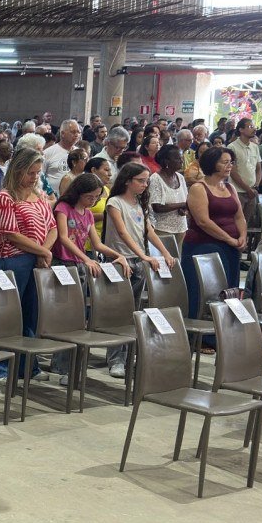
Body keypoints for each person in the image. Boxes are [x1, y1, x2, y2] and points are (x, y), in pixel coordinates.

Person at [102, 163, 178, 379]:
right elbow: (123, 233)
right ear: (127, 180)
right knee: (119, 312)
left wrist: (164, 252)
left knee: (133, 311)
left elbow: (148, 231)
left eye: (146, 181)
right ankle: (115, 359)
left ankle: (129, 358)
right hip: (120, 261)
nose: (145, 185)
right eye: (141, 180)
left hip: (137, 260)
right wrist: (144, 255)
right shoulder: (115, 202)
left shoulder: (138, 203)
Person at [0, 146, 56, 378]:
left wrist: (43, 252)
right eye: (30, 173)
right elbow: (11, 234)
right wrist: (42, 252)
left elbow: (53, 228)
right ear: (18, 170)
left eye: (37, 173)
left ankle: (28, 366)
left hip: (37, 259)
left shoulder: (40, 195)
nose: (34, 177)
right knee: (8, 316)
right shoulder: (6, 196)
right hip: (14, 260)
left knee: (32, 315)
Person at [182, 147, 248, 318]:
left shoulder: (230, 187)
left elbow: (239, 216)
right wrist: (229, 239)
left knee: (229, 290)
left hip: (231, 246)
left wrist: (242, 236)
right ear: (212, 164)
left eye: (231, 162)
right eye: (225, 162)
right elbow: (203, 221)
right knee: (208, 292)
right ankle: (204, 337)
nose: (229, 166)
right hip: (205, 246)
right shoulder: (199, 188)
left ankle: (224, 329)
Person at [54, 173, 126, 278]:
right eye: (89, 197)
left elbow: (97, 244)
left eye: (96, 197)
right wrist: (86, 259)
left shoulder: (88, 214)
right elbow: (63, 238)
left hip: (79, 261)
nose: (93, 201)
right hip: (62, 261)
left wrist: (118, 255)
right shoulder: (64, 207)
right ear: (78, 193)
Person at [148, 144, 190, 257]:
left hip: (181, 228)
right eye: (177, 158)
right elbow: (157, 207)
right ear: (166, 161)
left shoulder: (180, 177)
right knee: (164, 264)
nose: (181, 161)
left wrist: (184, 210)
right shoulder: (156, 179)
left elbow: (185, 201)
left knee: (178, 263)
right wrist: (182, 204)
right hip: (162, 229)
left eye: (181, 158)